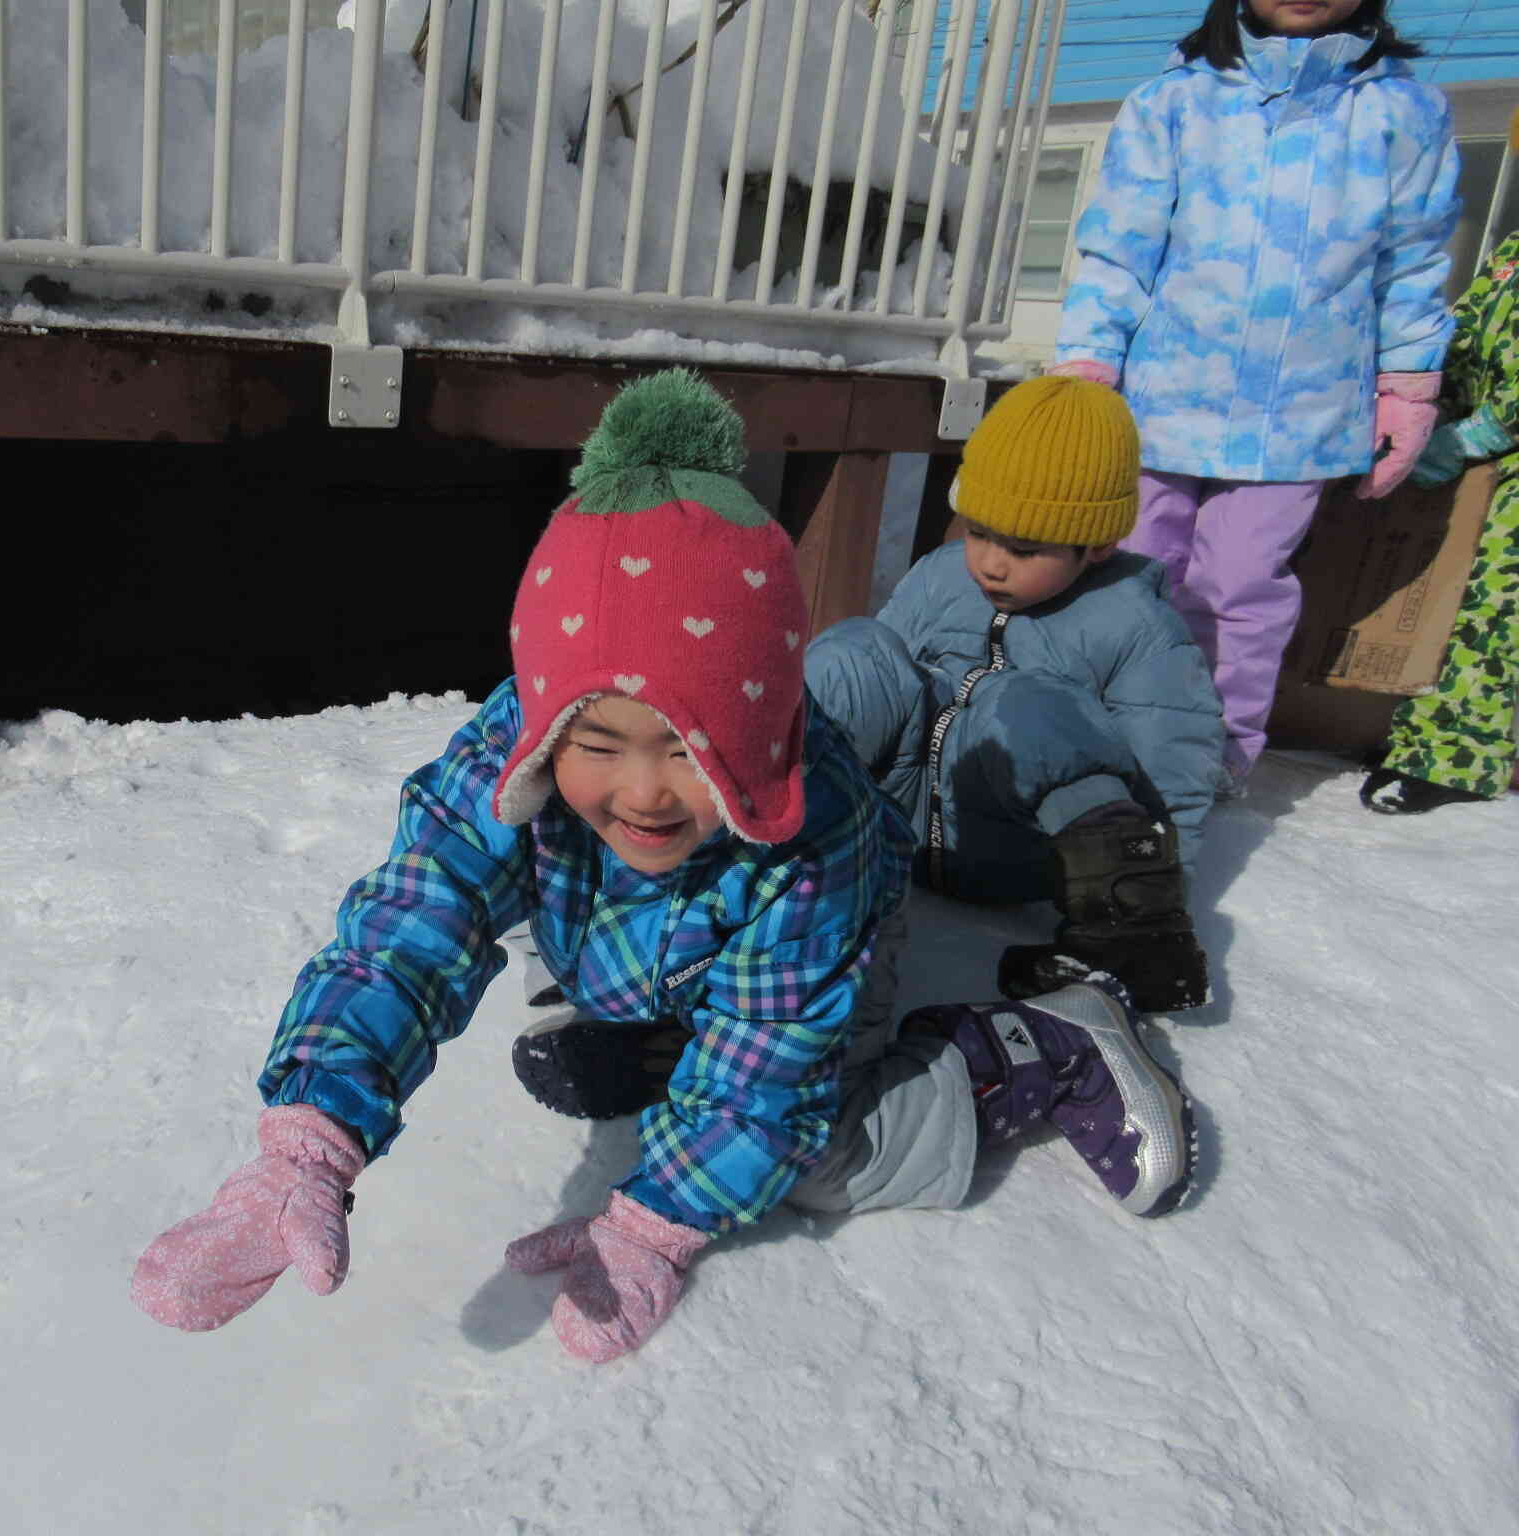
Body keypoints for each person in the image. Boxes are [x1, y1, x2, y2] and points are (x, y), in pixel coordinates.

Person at [127, 370, 1197, 1365]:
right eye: (597, 746)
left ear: (764, 724)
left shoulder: (812, 840)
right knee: (625, 1000)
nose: (643, 792)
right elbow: (409, 931)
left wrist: (657, 1220)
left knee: (812, 1158)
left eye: (691, 747)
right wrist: (309, 1141)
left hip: (819, 969)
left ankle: (1036, 1054)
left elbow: (770, 1065)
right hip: (672, 947)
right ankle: (671, 1031)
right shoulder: (514, 752)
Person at [1050, 0, 1462, 795]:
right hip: (1161, 397)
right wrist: (1088, 362)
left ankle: (1209, 757)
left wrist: (1406, 390)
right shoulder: (1174, 100)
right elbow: (1118, 250)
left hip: (1300, 416)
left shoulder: (1404, 111)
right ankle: (1089, 739)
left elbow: (1411, 268)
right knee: (1125, 572)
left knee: (1239, 587)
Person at [805, 377, 1224, 1015]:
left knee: (1027, 706)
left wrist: (1160, 894)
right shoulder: (942, 576)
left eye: (1024, 548)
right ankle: (752, 831)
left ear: (1099, 545)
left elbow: (1172, 774)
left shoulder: (1135, 626)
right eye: (979, 531)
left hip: (1016, 847)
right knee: (856, 650)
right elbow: (882, 688)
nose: (991, 563)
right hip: (888, 820)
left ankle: (1130, 931)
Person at [1363, 183, 1519, 815]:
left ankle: (1451, 760)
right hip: (1491, 458)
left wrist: (1481, 432)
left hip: (1502, 453)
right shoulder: (1511, 253)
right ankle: (1403, 733)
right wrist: (1427, 412)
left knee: (1493, 613)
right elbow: (1465, 341)